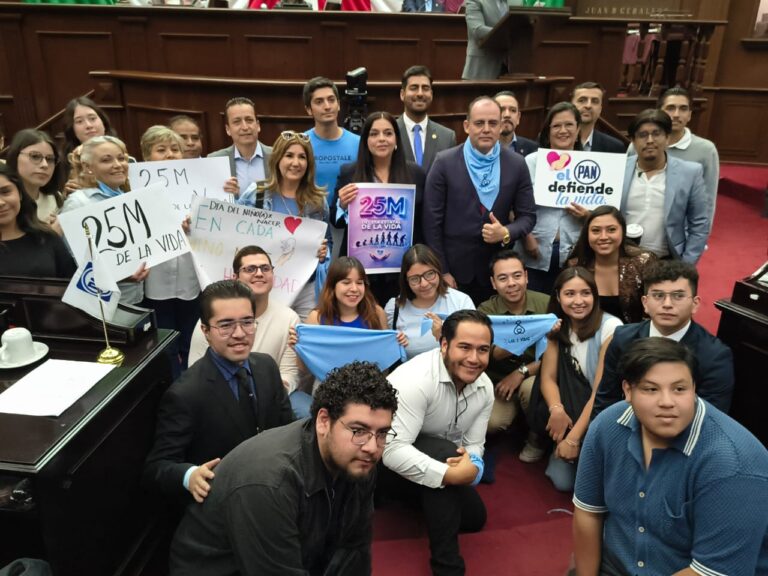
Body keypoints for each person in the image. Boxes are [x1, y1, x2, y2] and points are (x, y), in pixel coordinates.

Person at [169, 361, 398, 576]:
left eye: (382, 433)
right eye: (358, 430)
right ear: (323, 421)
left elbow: (354, 551)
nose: (372, 446)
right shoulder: (270, 483)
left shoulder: (359, 459)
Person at [573, 337, 768, 576]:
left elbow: (710, 572)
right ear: (627, 390)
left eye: (679, 389)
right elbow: (588, 512)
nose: (667, 402)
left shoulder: (734, 463)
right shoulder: (607, 426)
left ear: (694, 388)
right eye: (651, 389)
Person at [143, 279, 294, 506]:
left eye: (247, 322)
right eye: (226, 325)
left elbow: (286, 428)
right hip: (221, 505)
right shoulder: (185, 394)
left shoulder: (267, 367)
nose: (239, 333)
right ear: (205, 331)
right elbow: (158, 467)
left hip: (274, 494)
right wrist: (189, 476)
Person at [383, 309, 494, 576]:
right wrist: (449, 474)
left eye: (483, 350)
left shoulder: (485, 387)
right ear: (444, 344)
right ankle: (447, 567)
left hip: (438, 460)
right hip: (383, 470)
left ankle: (430, 494)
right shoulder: (415, 380)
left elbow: (474, 444)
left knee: (474, 519)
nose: (474, 359)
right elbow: (389, 450)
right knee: (444, 454)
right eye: (464, 347)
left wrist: (474, 466)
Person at [423, 96, 536, 305]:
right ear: (467, 126)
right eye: (479, 123)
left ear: (501, 126)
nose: (486, 129)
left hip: (497, 274)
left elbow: (528, 217)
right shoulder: (444, 162)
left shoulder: (517, 164)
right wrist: (442, 270)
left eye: (493, 123)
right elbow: (431, 224)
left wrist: (506, 233)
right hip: (454, 273)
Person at [592, 259, 734, 419]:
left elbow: (709, 420)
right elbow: (605, 400)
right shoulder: (623, 339)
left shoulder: (714, 356)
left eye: (678, 296)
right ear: (645, 303)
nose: (667, 304)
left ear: (695, 304)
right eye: (658, 295)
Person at [532, 267, 622, 491]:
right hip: (570, 409)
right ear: (558, 297)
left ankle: (571, 445)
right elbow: (548, 378)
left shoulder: (611, 328)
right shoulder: (557, 326)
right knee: (563, 483)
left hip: (599, 410)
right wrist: (556, 410)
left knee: (595, 483)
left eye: (585, 293)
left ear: (595, 296)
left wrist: (573, 439)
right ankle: (553, 443)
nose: (578, 301)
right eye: (570, 294)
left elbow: (600, 392)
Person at [333, 111, 426, 304]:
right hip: (360, 269)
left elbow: (423, 221)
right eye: (374, 134)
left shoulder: (416, 173)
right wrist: (342, 205)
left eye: (388, 133)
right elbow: (336, 220)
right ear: (365, 140)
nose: (381, 139)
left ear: (397, 140)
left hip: (403, 266)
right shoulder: (349, 172)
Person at [238, 130, 331, 320]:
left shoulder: (317, 201)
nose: (296, 163)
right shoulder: (257, 194)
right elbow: (231, 231)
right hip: (265, 285)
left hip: (307, 288)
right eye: (289, 155)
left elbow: (327, 241)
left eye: (302, 157)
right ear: (278, 159)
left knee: (304, 340)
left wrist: (324, 253)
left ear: (309, 163)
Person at [188, 245, 300, 397]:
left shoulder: (289, 318)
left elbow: (289, 373)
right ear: (235, 277)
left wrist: (274, 392)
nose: (259, 273)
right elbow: (195, 368)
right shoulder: (213, 317)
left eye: (265, 268)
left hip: (273, 394)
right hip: (219, 395)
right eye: (250, 269)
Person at [139, 126, 201, 377]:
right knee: (164, 342)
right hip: (156, 282)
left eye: (175, 149)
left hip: (190, 279)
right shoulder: (135, 191)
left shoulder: (198, 186)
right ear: (146, 156)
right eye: (161, 150)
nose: (170, 155)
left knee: (191, 339)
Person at [59, 135, 149, 305]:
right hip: (102, 303)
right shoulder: (78, 203)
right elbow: (75, 259)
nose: (117, 165)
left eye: (121, 158)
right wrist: (119, 274)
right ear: (88, 167)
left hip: (136, 297)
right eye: (106, 160)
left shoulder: (130, 197)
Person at [518, 102, 589, 295]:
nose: (563, 131)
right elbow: (514, 206)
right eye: (556, 126)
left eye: (569, 125)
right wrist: (526, 236)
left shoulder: (592, 164)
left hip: (575, 253)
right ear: (547, 132)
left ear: (578, 130)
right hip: (533, 250)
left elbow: (606, 213)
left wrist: (588, 215)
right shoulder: (531, 162)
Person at [477, 250, 549, 443]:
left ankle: (537, 438)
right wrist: (531, 330)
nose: (511, 283)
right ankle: (517, 425)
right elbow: (489, 355)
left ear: (526, 277)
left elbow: (558, 354)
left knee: (529, 388)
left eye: (517, 276)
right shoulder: (485, 311)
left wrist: (521, 372)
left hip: (535, 376)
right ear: (493, 283)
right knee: (492, 424)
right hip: (499, 383)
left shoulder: (547, 304)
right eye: (502, 278)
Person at [620, 109, 709, 263]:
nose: (649, 140)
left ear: (667, 138)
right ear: (633, 141)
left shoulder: (690, 172)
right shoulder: (617, 168)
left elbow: (699, 224)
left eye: (656, 134)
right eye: (642, 135)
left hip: (667, 260)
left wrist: (687, 265)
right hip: (622, 258)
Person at [566, 205, 655, 324]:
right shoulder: (575, 265)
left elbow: (655, 308)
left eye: (611, 230)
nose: (603, 237)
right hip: (589, 337)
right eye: (596, 230)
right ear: (587, 234)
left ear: (622, 231)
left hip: (636, 338)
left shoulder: (643, 262)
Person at [385, 244, 475, 361]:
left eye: (429, 274)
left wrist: (443, 336)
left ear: (438, 271)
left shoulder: (461, 301)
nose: (424, 284)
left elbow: (473, 347)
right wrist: (394, 346)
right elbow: (385, 354)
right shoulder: (394, 308)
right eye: (415, 279)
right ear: (406, 281)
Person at [658, 86, 720, 228]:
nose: (676, 114)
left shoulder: (706, 149)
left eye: (683, 109)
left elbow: (708, 198)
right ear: (659, 112)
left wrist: (701, 237)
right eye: (670, 108)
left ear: (690, 115)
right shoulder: (640, 145)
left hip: (682, 231)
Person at [0, 164, 75, 278]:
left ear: (20, 193)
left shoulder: (47, 238)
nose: (1, 203)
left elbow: (73, 287)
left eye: (5, 192)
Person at [303, 76, 360, 207]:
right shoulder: (300, 143)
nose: (327, 106)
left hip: (348, 221)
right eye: (319, 102)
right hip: (310, 221)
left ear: (339, 104)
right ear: (308, 109)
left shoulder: (359, 143)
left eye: (331, 100)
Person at [396, 65, 457, 173]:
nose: (420, 94)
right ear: (402, 94)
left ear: (431, 94)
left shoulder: (447, 137)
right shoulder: (389, 132)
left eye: (425, 88)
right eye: (414, 88)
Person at [207, 97, 271, 199]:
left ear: (258, 125)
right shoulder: (214, 160)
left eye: (249, 120)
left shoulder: (277, 156)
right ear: (228, 129)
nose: (245, 127)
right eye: (237, 122)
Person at [5, 129, 65, 226]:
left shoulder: (55, 197)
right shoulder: (5, 203)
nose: (45, 165)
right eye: (35, 156)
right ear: (15, 156)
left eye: (50, 159)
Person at [61, 96, 116, 196]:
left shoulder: (125, 159)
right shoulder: (62, 164)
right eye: (79, 121)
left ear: (103, 122)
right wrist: (65, 196)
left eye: (92, 118)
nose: (88, 125)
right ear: (72, 130)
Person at [570, 82, 627, 153]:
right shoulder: (558, 142)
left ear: (600, 109)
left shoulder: (615, 147)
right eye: (582, 100)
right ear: (571, 105)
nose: (588, 105)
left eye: (595, 101)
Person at [461, 0, 508, 80]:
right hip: (482, 68)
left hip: (510, 69)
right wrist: (509, 34)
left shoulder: (512, 2)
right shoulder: (476, 1)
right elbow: (477, 30)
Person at [494, 91, 539, 156]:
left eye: (513, 110)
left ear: (518, 117)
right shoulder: (480, 147)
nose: (507, 115)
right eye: (501, 109)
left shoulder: (533, 149)